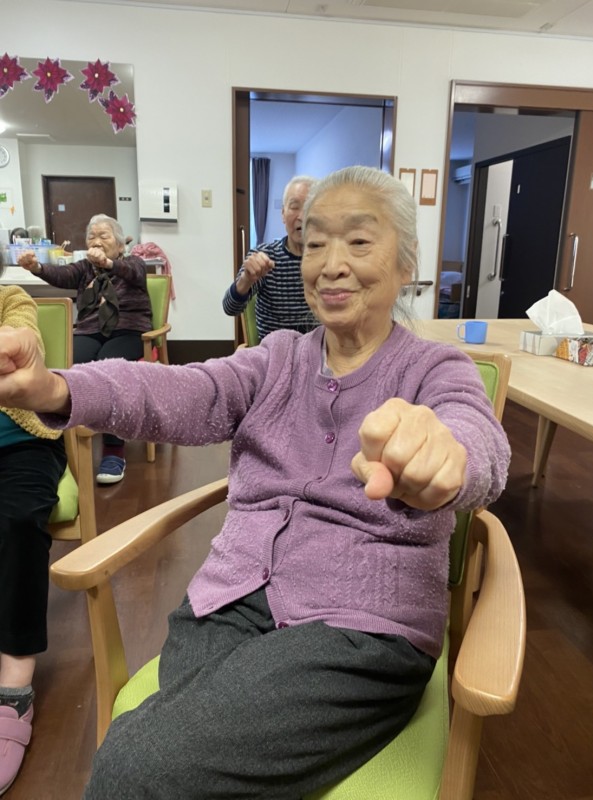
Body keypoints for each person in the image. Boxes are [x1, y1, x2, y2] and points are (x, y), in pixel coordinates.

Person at [0, 166, 510, 799]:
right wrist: (56, 387)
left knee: (132, 766)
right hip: (231, 599)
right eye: (315, 243)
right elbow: (181, 390)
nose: (331, 264)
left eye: (358, 241)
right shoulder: (279, 357)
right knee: (172, 756)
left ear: (406, 262)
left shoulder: (436, 368)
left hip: (363, 627)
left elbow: (477, 438)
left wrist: (446, 456)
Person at [17, 214, 152, 485]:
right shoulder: (84, 268)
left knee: (108, 366)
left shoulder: (133, 263)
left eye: (104, 236)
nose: (96, 241)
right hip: (90, 330)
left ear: (120, 244)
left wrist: (108, 264)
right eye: (92, 236)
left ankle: (113, 447)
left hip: (128, 331)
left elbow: (133, 272)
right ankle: (60, 438)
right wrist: (37, 267)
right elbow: (62, 275)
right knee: (66, 367)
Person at [0, 253, 67, 796]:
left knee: (21, 518)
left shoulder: (11, 299)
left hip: (23, 444)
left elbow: (24, 335)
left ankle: (15, 682)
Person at [222, 174, 319, 340]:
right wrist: (246, 279)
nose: (302, 217)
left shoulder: (329, 260)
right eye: (294, 207)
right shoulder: (265, 256)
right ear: (283, 213)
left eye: (310, 207)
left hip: (318, 351)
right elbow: (230, 308)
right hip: (274, 351)